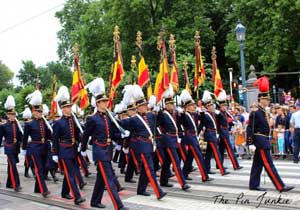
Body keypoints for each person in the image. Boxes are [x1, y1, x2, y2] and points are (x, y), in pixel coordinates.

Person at [82, 78, 128, 210]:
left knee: (101, 179)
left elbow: (113, 133)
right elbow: (86, 135)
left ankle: (95, 201)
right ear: (97, 103)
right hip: (99, 151)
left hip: (108, 150)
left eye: (106, 101)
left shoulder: (108, 117)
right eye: (103, 102)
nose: (106, 103)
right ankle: (118, 206)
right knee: (109, 178)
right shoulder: (92, 118)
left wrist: (122, 136)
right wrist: (83, 149)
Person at [247, 76, 294, 192]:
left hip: (264, 140)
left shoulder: (265, 112)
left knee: (257, 164)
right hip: (260, 141)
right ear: (261, 99)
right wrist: (250, 143)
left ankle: (253, 184)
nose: (268, 101)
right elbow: (250, 128)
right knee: (269, 164)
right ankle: (280, 186)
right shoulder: (256, 112)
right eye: (267, 99)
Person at [121, 84, 167, 200]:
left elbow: (160, 121)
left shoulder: (150, 116)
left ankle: (141, 189)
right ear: (137, 107)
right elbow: (122, 126)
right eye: (142, 106)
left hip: (150, 144)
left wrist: (160, 110)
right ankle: (159, 192)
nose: (144, 107)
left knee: (146, 170)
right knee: (149, 168)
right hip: (141, 146)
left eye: (145, 105)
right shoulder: (133, 119)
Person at [52, 86, 86, 205]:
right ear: (62, 109)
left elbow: (78, 134)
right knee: (71, 173)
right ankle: (77, 197)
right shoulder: (58, 123)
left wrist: (80, 143)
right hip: (64, 150)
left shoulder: (74, 120)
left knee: (69, 172)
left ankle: (64, 192)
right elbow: (54, 139)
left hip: (73, 149)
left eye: (70, 107)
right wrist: (55, 153)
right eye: (66, 107)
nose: (69, 109)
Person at [157, 85, 190, 191]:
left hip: (174, 139)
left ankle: (163, 180)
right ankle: (183, 183)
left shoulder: (175, 114)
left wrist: (183, 114)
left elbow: (184, 123)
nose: (173, 105)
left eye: (173, 103)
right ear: (166, 105)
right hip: (167, 139)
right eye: (171, 104)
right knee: (176, 161)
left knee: (167, 161)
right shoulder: (162, 114)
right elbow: (155, 125)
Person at [21, 90, 51, 197]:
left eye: (41, 111)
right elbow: (25, 138)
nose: (40, 113)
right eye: (38, 112)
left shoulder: (44, 122)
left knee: (43, 169)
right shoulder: (29, 124)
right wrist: (24, 149)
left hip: (44, 148)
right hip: (34, 148)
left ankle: (37, 188)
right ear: (33, 112)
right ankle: (44, 190)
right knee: (38, 169)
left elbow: (48, 135)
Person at [180, 89, 211, 182]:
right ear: (187, 107)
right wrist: (182, 112)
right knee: (199, 156)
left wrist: (201, 110)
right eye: (192, 105)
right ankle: (204, 176)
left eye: (194, 105)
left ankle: (184, 173)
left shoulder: (195, 114)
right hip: (189, 137)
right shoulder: (184, 115)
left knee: (190, 157)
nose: (194, 107)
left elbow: (203, 119)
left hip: (194, 137)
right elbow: (180, 122)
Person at [0, 95, 22, 192]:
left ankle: (9, 183)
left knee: (11, 165)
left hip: (16, 148)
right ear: (8, 115)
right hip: (8, 148)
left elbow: (20, 136)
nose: (13, 116)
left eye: (14, 114)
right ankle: (15, 184)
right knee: (13, 165)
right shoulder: (4, 126)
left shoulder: (18, 125)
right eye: (11, 114)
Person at [216, 90, 243, 170]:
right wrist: (229, 121)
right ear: (220, 106)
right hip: (222, 133)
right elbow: (221, 122)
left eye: (225, 105)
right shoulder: (219, 113)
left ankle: (219, 164)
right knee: (230, 149)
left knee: (221, 149)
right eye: (223, 106)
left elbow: (231, 120)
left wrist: (231, 122)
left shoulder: (225, 113)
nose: (225, 107)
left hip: (225, 131)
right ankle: (235, 165)